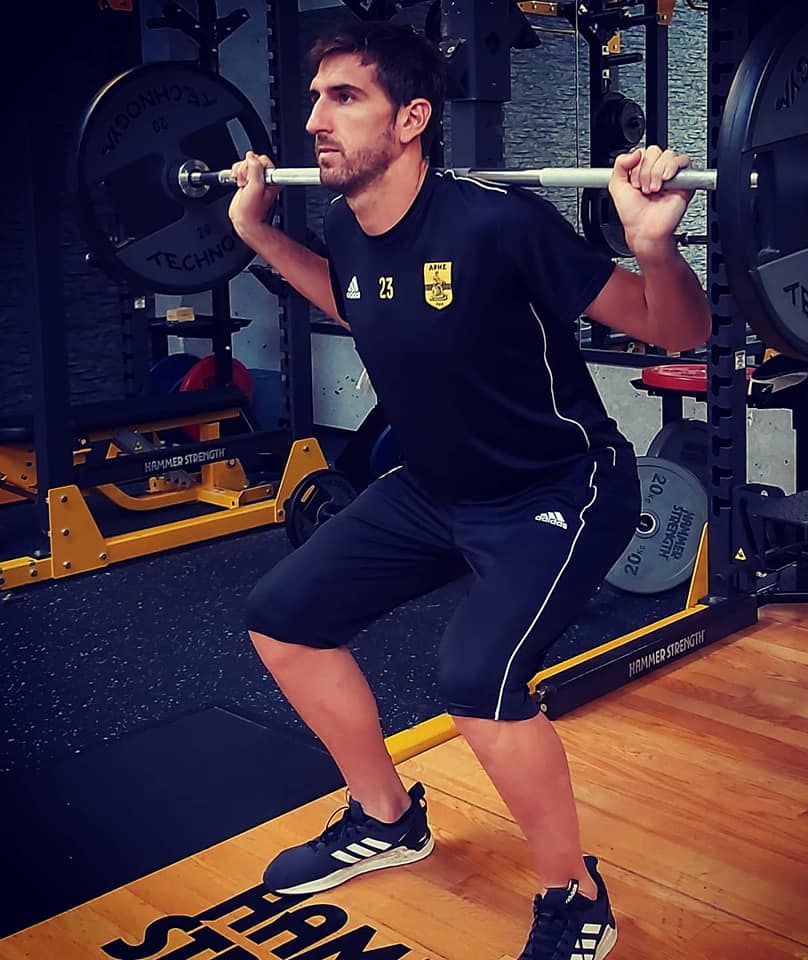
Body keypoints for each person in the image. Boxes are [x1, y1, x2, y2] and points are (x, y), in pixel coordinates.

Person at [234, 19, 710, 960]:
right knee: (282, 617)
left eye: (344, 98)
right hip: (433, 489)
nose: (315, 120)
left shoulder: (499, 223)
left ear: (412, 119)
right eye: (316, 98)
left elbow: (676, 332)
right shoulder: (343, 225)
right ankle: (386, 817)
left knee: (477, 680)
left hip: (559, 488)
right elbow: (357, 301)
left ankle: (574, 894)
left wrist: (653, 245)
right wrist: (256, 233)